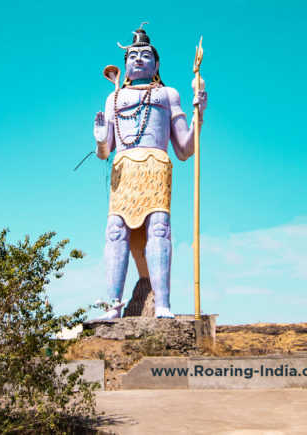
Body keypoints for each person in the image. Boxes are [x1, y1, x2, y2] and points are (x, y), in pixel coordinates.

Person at [93, 25, 207, 319]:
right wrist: (100, 138)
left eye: (145, 55)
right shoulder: (114, 99)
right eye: (133, 56)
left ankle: (163, 304)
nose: (139, 60)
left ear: (156, 65)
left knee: (159, 228)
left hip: (156, 167)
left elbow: (184, 149)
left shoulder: (168, 94)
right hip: (124, 169)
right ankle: (113, 306)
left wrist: (198, 117)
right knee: (115, 232)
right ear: (125, 65)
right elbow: (106, 151)